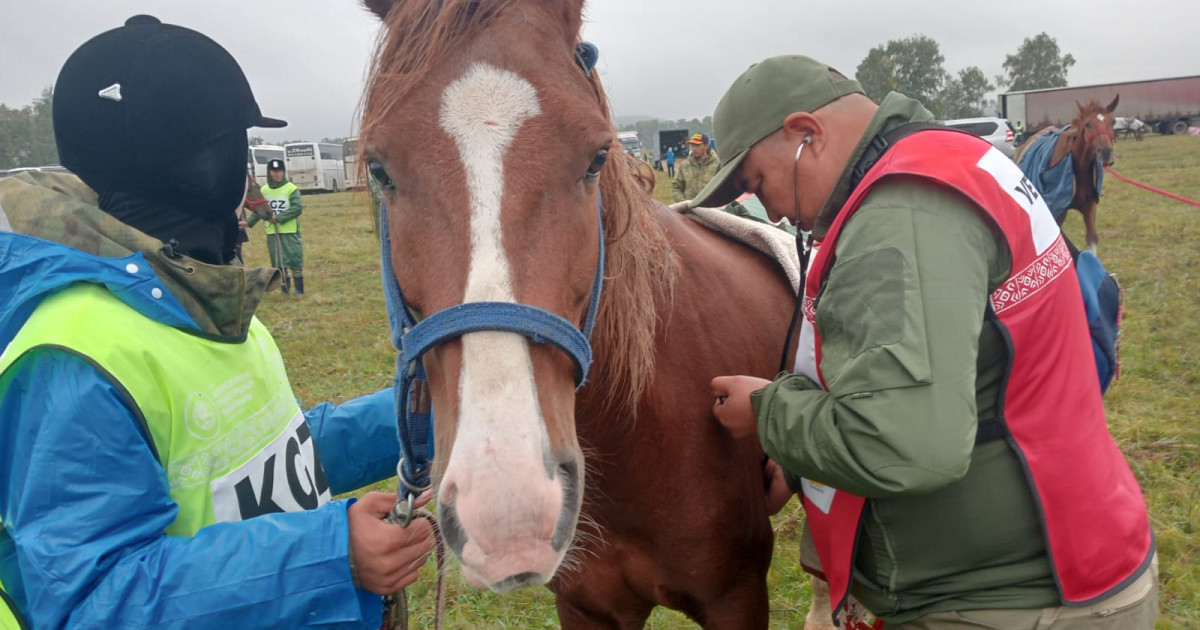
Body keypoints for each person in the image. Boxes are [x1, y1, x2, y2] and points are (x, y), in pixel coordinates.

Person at [0, 16, 434, 629]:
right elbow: (92, 603)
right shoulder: (71, 358)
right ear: (206, 169)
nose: (249, 176)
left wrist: (423, 415)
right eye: (240, 151)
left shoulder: (202, 298)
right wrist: (330, 557)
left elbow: (273, 461)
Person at [702, 55, 1156, 629]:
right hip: (1065, 552)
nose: (767, 209)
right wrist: (800, 466)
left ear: (806, 135)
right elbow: (953, 366)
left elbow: (905, 445)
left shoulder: (899, 216)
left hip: (1000, 603)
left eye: (758, 183)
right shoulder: (953, 161)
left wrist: (771, 413)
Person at [247, 159, 305, 296]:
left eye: (279, 171)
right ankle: (284, 288)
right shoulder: (264, 190)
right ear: (269, 173)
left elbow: (297, 208)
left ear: (283, 172)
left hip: (289, 230)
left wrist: (278, 218)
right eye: (274, 172)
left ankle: (299, 290)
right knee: (278, 261)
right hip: (272, 232)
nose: (277, 174)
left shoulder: (291, 188)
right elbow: (259, 209)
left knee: (294, 258)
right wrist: (249, 222)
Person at [671, 132, 720, 203]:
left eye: (697, 145)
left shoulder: (718, 164)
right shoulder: (684, 166)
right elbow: (676, 188)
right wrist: (684, 203)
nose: (694, 149)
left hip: (713, 209)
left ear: (706, 146)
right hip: (689, 210)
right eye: (692, 146)